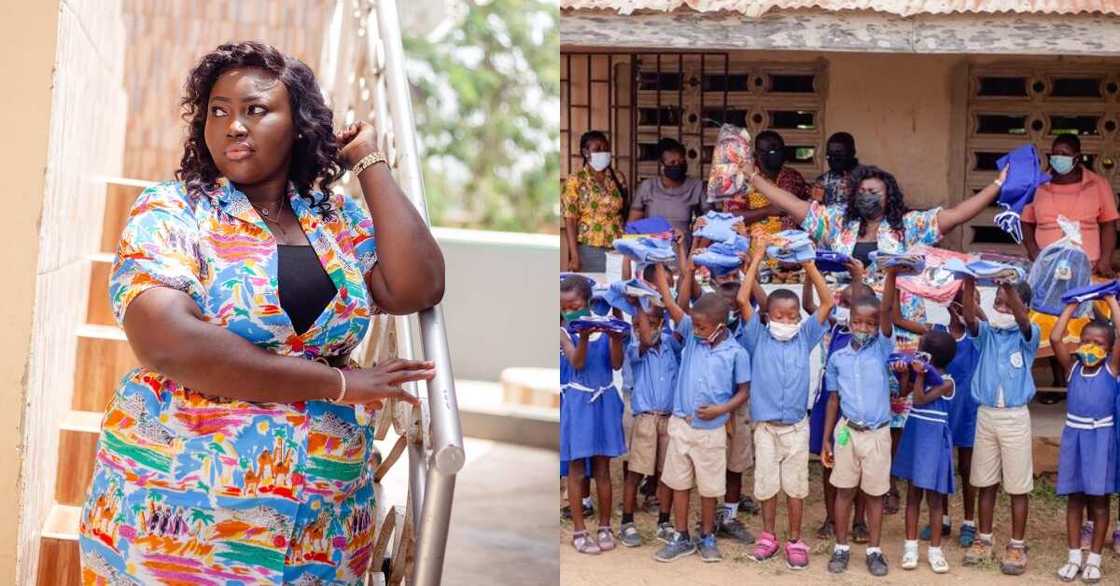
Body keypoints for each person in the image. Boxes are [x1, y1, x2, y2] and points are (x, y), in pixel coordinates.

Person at [78, 42, 444, 583]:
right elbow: (168, 343)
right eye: (218, 110)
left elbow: (418, 285)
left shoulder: (332, 220)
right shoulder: (173, 210)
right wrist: (336, 383)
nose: (233, 126)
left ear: (299, 124)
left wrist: (369, 163)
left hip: (319, 518)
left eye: (255, 110)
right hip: (181, 514)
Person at [749, 161, 1009, 510]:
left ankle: (884, 481)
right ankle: (850, 474)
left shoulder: (908, 228)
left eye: (876, 191)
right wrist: (753, 179)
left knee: (896, 408)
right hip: (847, 331)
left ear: (890, 196)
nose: (868, 195)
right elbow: (792, 205)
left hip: (896, 332)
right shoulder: (837, 224)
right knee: (851, 399)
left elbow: (957, 215)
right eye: (863, 190)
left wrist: (996, 185)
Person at [734, 237, 832, 569]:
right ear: (768, 315)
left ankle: (793, 538)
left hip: (795, 427)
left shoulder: (804, 338)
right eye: (780, 315)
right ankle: (767, 536)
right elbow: (741, 298)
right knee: (765, 483)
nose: (787, 321)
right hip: (764, 427)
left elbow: (828, 304)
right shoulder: (757, 337)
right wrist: (758, 257)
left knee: (796, 486)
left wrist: (808, 264)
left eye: (792, 316)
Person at [651, 264, 750, 563]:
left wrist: (721, 409)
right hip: (682, 425)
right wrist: (659, 263)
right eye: (694, 326)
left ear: (721, 325)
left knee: (709, 487)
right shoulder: (693, 340)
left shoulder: (736, 353)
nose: (695, 331)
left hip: (712, 431)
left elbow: (744, 392)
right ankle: (681, 535)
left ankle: (707, 534)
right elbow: (670, 304)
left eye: (702, 328)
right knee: (679, 483)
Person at [821, 268, 899, 577]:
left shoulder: (881, 348)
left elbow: (889, 308)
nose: (863, 327)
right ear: (848, 321)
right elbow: (833, 400)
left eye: (870, 323)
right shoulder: (838, 357)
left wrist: (891, 273)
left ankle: (874, 550)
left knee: (875, 493)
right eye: (857, 322)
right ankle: (841, 548)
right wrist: (827, 438)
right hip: (847, 433)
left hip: (877, 434)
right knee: (843, 491)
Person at [959, 276, 1039, 576]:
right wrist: (968, 282)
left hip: (1015, 417)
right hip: (986, 416)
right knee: (985, 481)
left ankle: (1017, 544)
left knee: (1018, 486)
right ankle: (984, 539)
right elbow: (969, 315)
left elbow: (1022, 318)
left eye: (1008, 303)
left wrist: (1008, 289)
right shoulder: (987, 335)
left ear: (1024, 306)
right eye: (998, 303)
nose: (1002, 308)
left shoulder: (1028, 335)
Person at [1050, 299, 1120, 583]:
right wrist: (1072, 306)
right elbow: (1055, 337)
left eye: (1099, 343)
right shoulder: (1072, 369)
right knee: (1075, 499)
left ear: (1110, 348)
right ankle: (1074, 557)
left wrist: (1112, 301)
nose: (1092, 347)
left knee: (1099, 501)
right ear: (1079, 343)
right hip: (1074, 437)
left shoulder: (1111, 370)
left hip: (1100, 438)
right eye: (1086, 341)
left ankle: (1094, 560)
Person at [803, 261, 873, 542]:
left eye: (847, 302)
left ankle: (859, 521)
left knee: (862, 467)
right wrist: (809, 271)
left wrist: (859, 278)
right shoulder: (834, 328)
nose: (841, 306)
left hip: (860, 406)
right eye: (841, 301)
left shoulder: (873, 334)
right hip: (829, 403)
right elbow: (810, 303)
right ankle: (831, 517)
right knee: (829, 461)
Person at [560, 275, 627, 554]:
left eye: (573, 304)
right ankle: (578, 530)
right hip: (578, 403)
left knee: (602, 469)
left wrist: (614, 338)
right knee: (576, 470)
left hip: (604, 401)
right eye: (563, 307)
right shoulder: (564, 332)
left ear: (587, 301)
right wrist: (583, 337)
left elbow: (616, 363)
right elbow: (577, 362)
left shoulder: (608, 326)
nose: (568, 310)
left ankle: (604, 526)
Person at [889, 329, 958, 574]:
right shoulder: (924, 373)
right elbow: (904, 392)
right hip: (916, 437)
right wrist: (904, 373)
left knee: (936, 499)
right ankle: (910, 547)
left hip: (934, 441)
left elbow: (918, 399)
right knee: (913, 495)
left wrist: (919, 375)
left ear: (929, 356)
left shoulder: (948, 382)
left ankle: (935, 550)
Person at [923, 290, 983, 548]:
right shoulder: (936, 333)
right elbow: (899, 321)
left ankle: (969, 521)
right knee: (940, 466)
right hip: (940, 411)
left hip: (968, 411)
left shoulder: (980, 337)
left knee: (967, 468)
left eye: (970, 302)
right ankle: (943, 518)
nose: (963, 308)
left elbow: (978, 319)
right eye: (957, 302)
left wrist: (972, 309)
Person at [618, 304, 681, 548]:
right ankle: (627, 522)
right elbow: (644, 338)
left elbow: (681, 316)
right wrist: (636, 304)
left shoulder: (672, 346)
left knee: (667, 474)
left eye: (652, 324)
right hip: (645, 418)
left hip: (669, 418)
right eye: (637, 325)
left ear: (662, 324)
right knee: (636, 471)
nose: (644, 330)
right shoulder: (636, 348)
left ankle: (664, 522)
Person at [1022, 134, 1119, 278]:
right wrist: (1033, 251)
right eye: (1055, 154)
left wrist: (1105, 261)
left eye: (1064, 154)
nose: (1058, 158)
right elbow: (1026, 221)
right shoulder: (1038, 185)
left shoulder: (1098, 184)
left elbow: (1108, 225)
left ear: (1077, 157)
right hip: (1045, 266)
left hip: (1087, 266)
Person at [563, 130, 627, 272]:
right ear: (586, 152)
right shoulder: (575, 180)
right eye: (597, 149)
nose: (603, 153)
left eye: (606, 149)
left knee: (615, 289)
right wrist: (574, 256)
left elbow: (624, 211)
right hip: (589, 248)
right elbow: (570, 220)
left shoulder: (617, 177)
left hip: (618, 247)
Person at [724, 130, 810, 234]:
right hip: (752, 243)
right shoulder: (741, 178)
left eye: (779, 150)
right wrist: (767, 211)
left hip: (790, 244)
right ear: (757, 154)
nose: (776, 154)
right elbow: (730, 217)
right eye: (771, 151)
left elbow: (808, 212)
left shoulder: (793, 176)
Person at [629, 138, 707, 250]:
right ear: (662, 164)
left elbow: (710, 226)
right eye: (672, 162)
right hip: (652, 256)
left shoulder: (696, 187)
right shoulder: (647, 187)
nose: (678, 165)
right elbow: (633, 225)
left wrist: (696, 253)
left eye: (681, 161)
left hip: (683, 256)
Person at [812, 132, 860, 207]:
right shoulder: (822, 181)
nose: (833, 159)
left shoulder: (864, 179)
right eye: (830, 155)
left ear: (852, 153)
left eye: (838, 155)